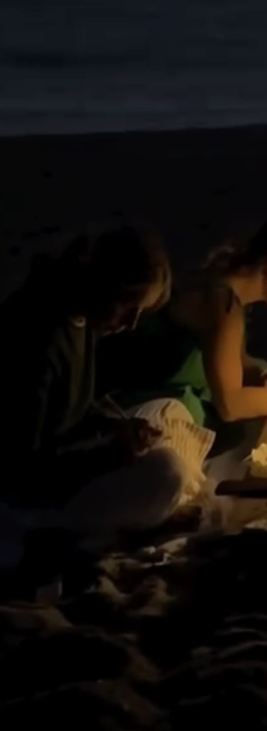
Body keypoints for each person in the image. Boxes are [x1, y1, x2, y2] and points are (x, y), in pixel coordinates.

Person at [0, 224, 199, 542]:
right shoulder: (38, 336)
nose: (131, 323)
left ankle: (145, 511)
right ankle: (112, 529)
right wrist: (110, 454)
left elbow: (74, 406)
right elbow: (24, 476)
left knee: (171, 410)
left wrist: (116, 427)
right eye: (128, 307)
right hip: (31, 508)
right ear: (106, 283)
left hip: (71, 465)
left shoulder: (82, 320)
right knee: (168, 472)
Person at [102, 221, 267, 450]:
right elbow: (231, 404)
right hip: (143, 417)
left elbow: (235, 358)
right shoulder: (222, 303)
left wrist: (264, 375)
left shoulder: (227, 296)